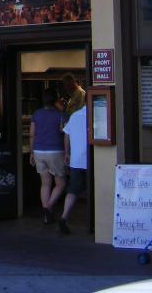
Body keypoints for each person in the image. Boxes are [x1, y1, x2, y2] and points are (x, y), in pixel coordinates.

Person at [30, 89, 67, 223]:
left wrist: (32, 152)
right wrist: (67, 153)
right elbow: (64, 133)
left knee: (45, 183)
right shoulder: (60, 115)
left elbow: (32, 134)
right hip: (56, 150)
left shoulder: (36, 114)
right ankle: (49, 207)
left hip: (39, 150)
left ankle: (47, 215)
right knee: (61, 183)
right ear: (55, 100)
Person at [58, 99, 88, 234]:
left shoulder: (75, 115)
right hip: (91, 159)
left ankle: (64, 216)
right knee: (95, 189)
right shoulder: (96, 114)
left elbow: (66, 135)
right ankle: (95, 221)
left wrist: (67, 153)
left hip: (76, 160)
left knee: (73, 189)